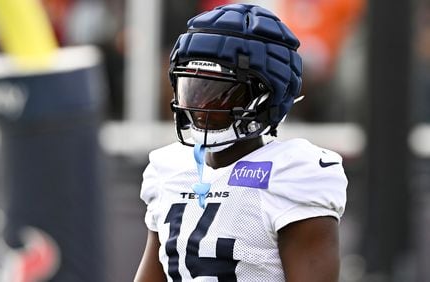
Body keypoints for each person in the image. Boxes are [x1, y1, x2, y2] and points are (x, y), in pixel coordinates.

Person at [134, 3, 347, 282]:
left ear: (264, 97)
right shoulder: (167, 169)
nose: (201, 107)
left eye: (219, 94)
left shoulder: (293, 175)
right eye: (192, 90)